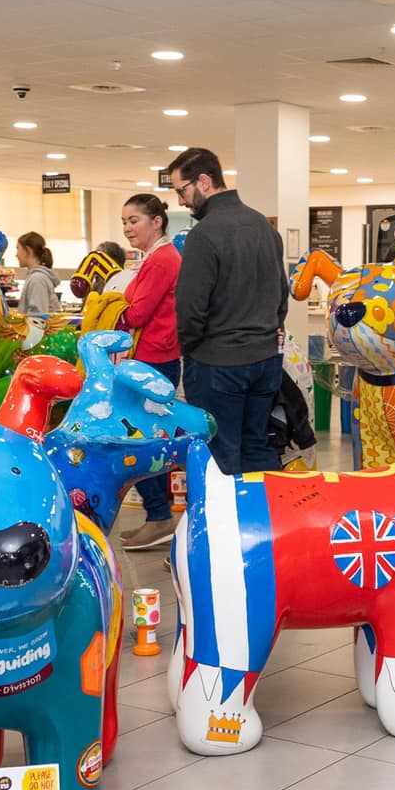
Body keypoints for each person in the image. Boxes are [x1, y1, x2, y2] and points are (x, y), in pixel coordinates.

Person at [166, 146, 286, 475]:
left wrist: (190, 350)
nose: (181, 201)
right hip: (265, 361)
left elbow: (190, 308)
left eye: (181, 190)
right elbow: (282, 295)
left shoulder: (203, 235)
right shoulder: (263, 225)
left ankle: (225, 525)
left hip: (217, 363)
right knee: (258, 445)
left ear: (203, 181)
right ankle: (265, 522)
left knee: (220, 453)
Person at [116, 192, 184, 550]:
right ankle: (157, 514)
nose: (128, 228)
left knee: (136, 439)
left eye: (134, 220)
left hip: (153, 360)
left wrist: (109, 311)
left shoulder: (161, 260)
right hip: (148, 358)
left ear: (157, 221)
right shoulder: (154, 259)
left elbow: (137, 313)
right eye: (124, 221)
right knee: (139, 438)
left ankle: (159, 515)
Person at [13, 232, 58, 317]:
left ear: (27, 251)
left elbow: (37, 319)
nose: (16, 255)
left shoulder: (37, 279)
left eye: (18, 249)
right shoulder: (36, 277)